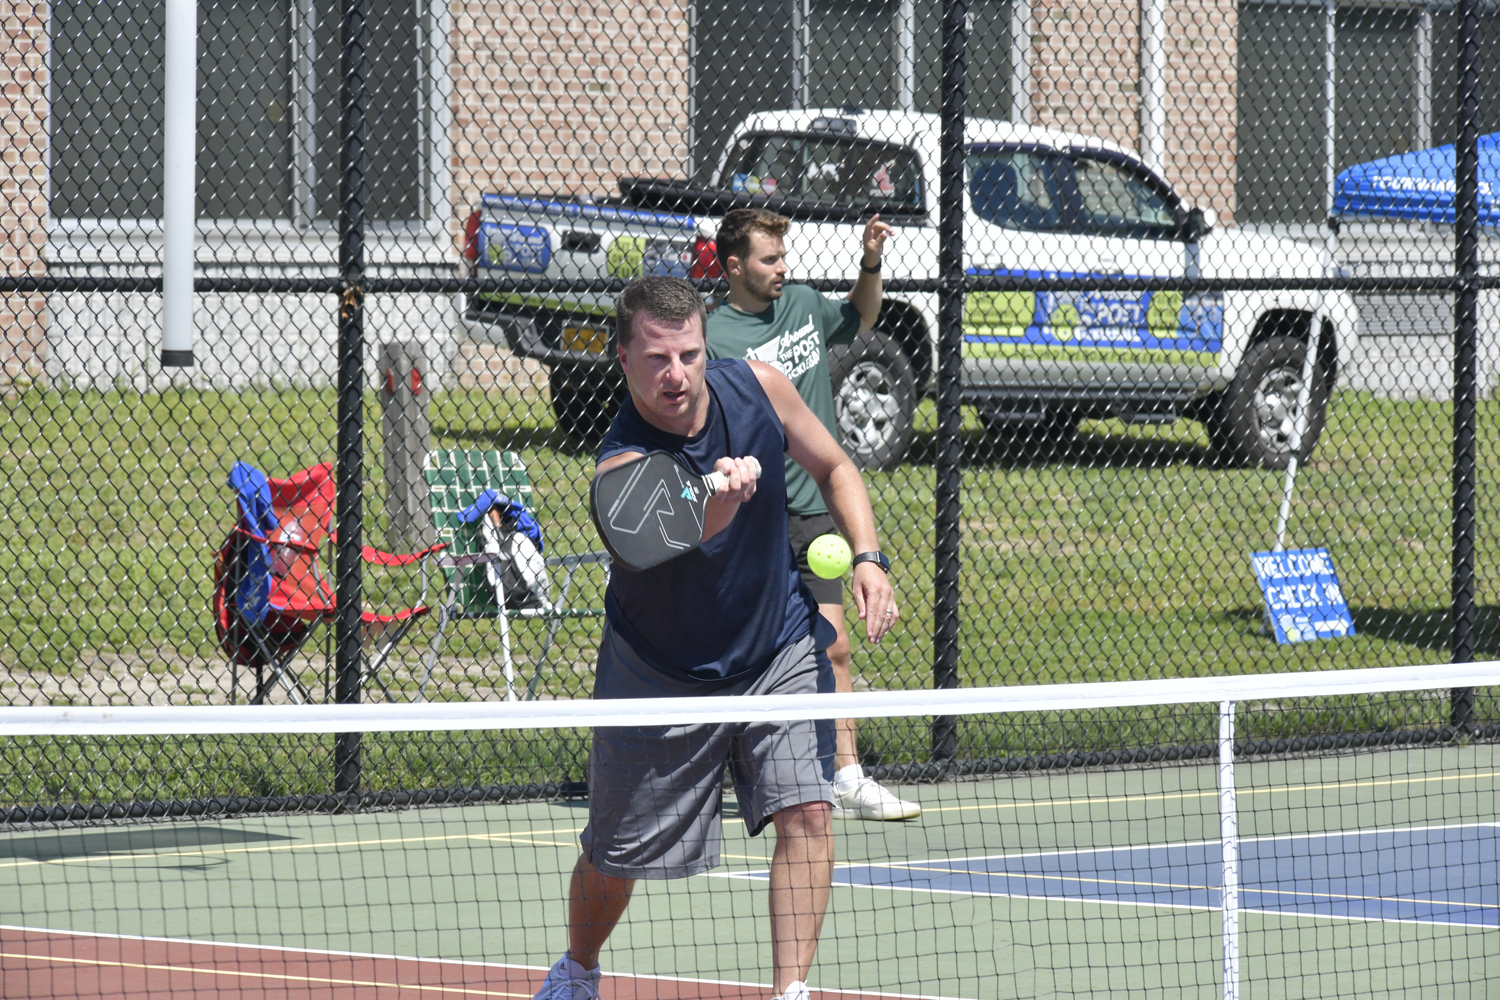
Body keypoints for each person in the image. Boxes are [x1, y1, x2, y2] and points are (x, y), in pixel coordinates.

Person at [531, 276, 899, 1000]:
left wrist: (867, 555)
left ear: (707, 348)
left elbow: (836, 466)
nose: (677, 374)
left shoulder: (759, 385)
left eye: (690, 355)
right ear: (624, 359)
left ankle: (790, 990)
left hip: (777, 647)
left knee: (807, 810)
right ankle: (577, 971)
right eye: (658, 359)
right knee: (614, 856)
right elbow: (664, 538)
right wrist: (715, 502)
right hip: (660, 673)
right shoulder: (620, 465)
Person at [705, 207, 920, 822]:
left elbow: (860, 316)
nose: (781, 268)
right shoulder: (714, 340)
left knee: (834, 646)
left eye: (782, 257)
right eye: (768, 259)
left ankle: (847, 775)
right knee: (743, 653)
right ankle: (724, 767)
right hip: (753, 521)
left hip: (816, 518)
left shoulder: (800, 302)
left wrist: (870, 260)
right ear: (734, 266)